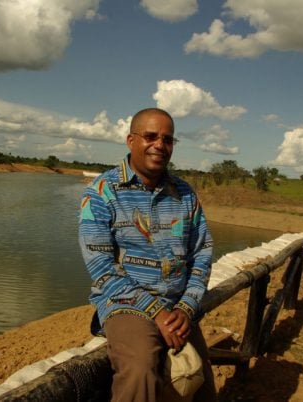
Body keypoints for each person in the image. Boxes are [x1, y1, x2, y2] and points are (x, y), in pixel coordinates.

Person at [78, 108, 216, 402]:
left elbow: (202, 252)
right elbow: (102, 268)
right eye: (150, 136)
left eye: (167, 139)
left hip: (178, 306)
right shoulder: (102, 192)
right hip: (127, 305)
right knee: (140, 371)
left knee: (200, 381)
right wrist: (158, 313)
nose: (159, 145)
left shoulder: (185, 194)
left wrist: (187, 308)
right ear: (131, 140)